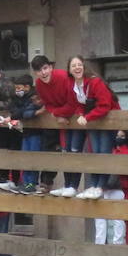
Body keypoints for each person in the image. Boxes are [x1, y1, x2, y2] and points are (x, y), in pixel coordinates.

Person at [63, 55, 118, 200]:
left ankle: (100, 186)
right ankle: (93, 185)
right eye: (73, 65)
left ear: (84, 66)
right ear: (69, 70)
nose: (77, 68)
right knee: (94, 152)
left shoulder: (95, 82)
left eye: (79, 64)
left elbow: (105, 105)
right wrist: (82, 114)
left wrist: (86, 117)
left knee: (103, 152)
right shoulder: (74, 85)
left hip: (107, 120)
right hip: (93, 120)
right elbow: (80, 104)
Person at [31, 55, 82, 195]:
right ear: (35, 73)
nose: (43, 73)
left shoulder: (64, 77)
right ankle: (48, 182)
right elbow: (48, 104)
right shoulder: (39, 85)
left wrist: (58, 114)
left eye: (45, 68)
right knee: (54, 148)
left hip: (77, 114)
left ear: (51, 67)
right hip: (59, 118)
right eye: (39, 70)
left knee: (74, 150)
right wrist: (56, 114)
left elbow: (74, 102)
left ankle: (73, 186)